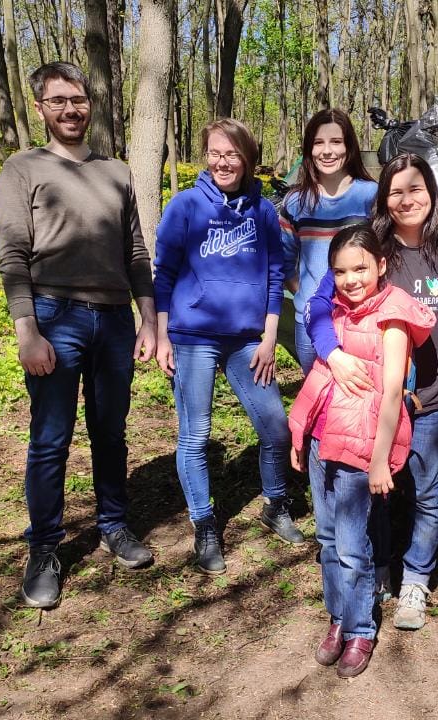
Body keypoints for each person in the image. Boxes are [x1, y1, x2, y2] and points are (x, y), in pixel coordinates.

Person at [0, 62, 156, 609]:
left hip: (113, 320)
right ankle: (44, 548)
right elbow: (13, 255)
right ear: (41, 107)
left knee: (110, 431)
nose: (71, 109)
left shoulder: (118, 172)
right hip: (52, 316)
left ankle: (114, 523)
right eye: (59, 100)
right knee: (51, 439)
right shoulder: (23, 169)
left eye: (79, 99)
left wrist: (149, 320)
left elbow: (136, 253)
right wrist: (27, 330)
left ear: (91, 104)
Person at [306, 154, 438, 629]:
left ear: (432, 193)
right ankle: (378, 569)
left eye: (416, 189)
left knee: (425, 490)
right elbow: (319, 305)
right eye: (396, 191)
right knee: (374, 493)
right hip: (373, 403)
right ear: (384, 198)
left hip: (429, 400)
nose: (407, 200)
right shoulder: (372, 253)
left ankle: (416, 580)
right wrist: (334, 355)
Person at [153, 118, 304, 575]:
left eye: (232, 154)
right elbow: (164, 273)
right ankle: (204, 524)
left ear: (247, 160)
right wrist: (161, 335)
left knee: (277, 428)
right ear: (206, 155)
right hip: (193, 336)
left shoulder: (262, 211)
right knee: (195, 435)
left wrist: (270, 334)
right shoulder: (183, 207)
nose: (223, 162)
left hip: (247, 341)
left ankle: (275, 503)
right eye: (215, 153)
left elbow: (277, 274)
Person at [288, 225, 436, 678]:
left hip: (360, 445)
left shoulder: (391, 318)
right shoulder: (334, 307)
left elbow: (393, 393)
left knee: (354, 546)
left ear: (381, 266)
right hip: (322, 437)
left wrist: (378, 459)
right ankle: (338, 617)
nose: (351, 279)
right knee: (328, 539)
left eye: (360, 269)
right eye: (341, 271)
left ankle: (360, 629)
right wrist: (301, 434)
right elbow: (320, 373)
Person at [279, 109, 378, 374]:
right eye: (318, 143)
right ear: (309, 149)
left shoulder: (370, 195)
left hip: (362, 319)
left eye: (336, 142)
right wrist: (307, 292)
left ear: (349, 147)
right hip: (310, 323)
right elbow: (284, 260)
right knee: (318, 404)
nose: (327, 151)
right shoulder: (296, 202)